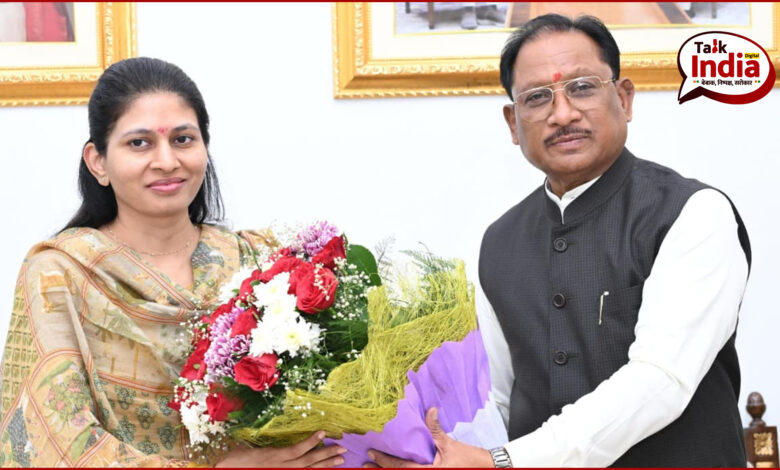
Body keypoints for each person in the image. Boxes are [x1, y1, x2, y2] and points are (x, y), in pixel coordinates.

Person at [367, 14, 750, 467]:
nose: (563, 114)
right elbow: (495, 400)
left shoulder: (693, 213)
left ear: (624, 99)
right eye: (537, 97)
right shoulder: (500, 241)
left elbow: (660, 380)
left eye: (583, 87)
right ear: (513, 123)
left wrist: (504, 461)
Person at [0, 57, 346, 467]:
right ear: (98, 161)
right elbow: (53, 441)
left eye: (183, 139)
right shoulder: (61, 274)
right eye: (139, 143)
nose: (166, 161)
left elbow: (332, 402)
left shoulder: (259, 262)